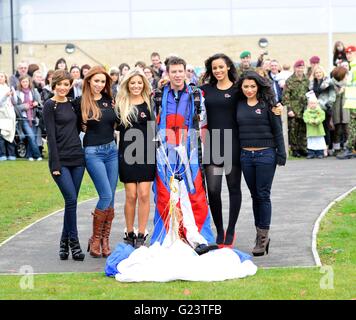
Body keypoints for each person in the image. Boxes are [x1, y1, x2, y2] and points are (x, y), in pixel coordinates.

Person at [151, 56, 214, 255]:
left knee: (194, 194)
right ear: (167, 74)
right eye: (174, 72)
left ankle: (200, 238)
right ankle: (165, 238)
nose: (178, 75)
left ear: (186, 72)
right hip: (164, 152)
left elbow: (203, 119)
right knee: (164, 194)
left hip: (190, 151)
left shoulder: (196, 94)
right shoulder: (159, 95)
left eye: (181, 71)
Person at [236, 71, 286, 256]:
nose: (249, 90)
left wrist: (281, 153)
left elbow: (277, 129)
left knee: (263, 195)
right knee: (255, 195)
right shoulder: (238, 104)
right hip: (246, 156)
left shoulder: (269, 105)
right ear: (241, 88)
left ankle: (262, 237)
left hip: (266, 155)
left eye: (253, 86)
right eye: (246, 86)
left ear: (258, 87)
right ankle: (260, 233)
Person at [43, 69, 86, 261]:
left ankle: (63, 242)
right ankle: (74, 243)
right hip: (60, 161)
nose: (62, 88)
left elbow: (77, 128)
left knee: (72, 203)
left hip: (78, 158)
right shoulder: (49, 105)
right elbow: (50, 137)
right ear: (54, 85)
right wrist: (55, 164)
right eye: (59, 84)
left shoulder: (73, 104)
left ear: (70, 86)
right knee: (71, 201)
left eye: (66, 85)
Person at [200, 53, 241, 248]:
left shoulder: (238, 89)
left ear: (228, 67)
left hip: (233, 144)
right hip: (214, 145)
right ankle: (220, 229)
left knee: (233, 188)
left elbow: (258, 97)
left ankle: (231, 230)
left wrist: (275, 106)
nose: (218, 71)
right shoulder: (205, 90)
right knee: (214, 189)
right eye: (214, 68)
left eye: (221, 67)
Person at [79, 66, 119, 258]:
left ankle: (105, 240)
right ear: (88, 81)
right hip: (93, 153)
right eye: (96, 81)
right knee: (105, 195)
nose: (99, 84)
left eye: (103, 81)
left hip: (112, 150)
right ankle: (95, 238)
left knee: (111, 197)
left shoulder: (109, 101)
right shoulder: (80, 103)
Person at [116, 68, 156, 248]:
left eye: (139, 83)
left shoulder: (150, 102)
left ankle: (141, 233)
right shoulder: (121, 103)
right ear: (127, 84)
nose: (136, 86)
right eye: (132, 83)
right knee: (131, 195)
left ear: (144, 84)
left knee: (144, 194)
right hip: (127, 154)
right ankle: (129, 231)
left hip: (146, 153)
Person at [282, 59, 309, 157]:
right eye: (298, 67)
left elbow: (309, 93)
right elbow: (285, 96)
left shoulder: (306, 80)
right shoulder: (290, 80)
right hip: (293, 109)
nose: (300, 69)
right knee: (293, 130)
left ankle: (303, 148)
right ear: (295, 68)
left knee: (303, 129)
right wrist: (289, 109)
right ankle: (295, 149)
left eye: (302, 68)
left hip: (304, 109)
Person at [13, 74, 43, 161]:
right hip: (24, 118)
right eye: (23, 82)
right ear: (20, 83)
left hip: (33, 118)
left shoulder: (33, 91)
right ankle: (38, 155)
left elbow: (39, 102)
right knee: (31, 136)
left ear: (29, 82)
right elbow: (16, 107)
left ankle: (29, 156)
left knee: (32, 136)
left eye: (26, 81)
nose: (25, 83)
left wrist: (36, 103)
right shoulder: (18, 93)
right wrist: (24, 106)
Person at [309, 65, 336, 156]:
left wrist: (329, 104)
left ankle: (326, 148)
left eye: (320, 72)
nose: (318, 74)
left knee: (326, 128)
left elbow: (332, 94)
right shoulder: (312, 83)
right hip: (314, 109)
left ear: (323, 72)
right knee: (317, 129)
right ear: (314, 74)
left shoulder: (328, 82)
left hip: (325, 108)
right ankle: (318, 149)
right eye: (316, 73)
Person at [337, 45, 356, 159]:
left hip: (354, 103)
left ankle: (349, 149)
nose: (348, 55)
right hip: (352, 103)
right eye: (347, 54)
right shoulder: (352, 67)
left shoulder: (354, 68)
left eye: (351, 53)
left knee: (353, 128)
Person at [331, 66, 350, 155]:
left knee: (347, 129)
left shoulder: (348, 83)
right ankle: (336, 149)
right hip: (336, 109)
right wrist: (339, 92)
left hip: (346, 109)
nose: (346, 76)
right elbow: (332, 97)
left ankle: (347, 147)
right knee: (337, 130)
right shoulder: (332, 83)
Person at [303, 92, 327, 159]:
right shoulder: (306, 112)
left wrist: (317, 121)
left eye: (314, 103)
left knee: (319, 141)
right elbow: (305, 118)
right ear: (308, 104)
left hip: (318, 130)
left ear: (317, 104)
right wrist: (310, 121)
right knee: (311, 142)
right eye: (311, 103)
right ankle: (311, 153)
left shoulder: (320, 111)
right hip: (311, 130)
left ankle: (320, 153)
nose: (312, 105)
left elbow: (322, 117)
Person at [0, 71, 16, 161]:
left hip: (10, 114)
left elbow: (15, 102)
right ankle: (2, 154)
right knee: (2, 135)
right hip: (2, 115)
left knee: (11, 134)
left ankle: (11, 154)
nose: (0, 78)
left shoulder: (9, 88)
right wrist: (5, 96)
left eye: (2, 76)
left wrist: (13, 95)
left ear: (5, 78)